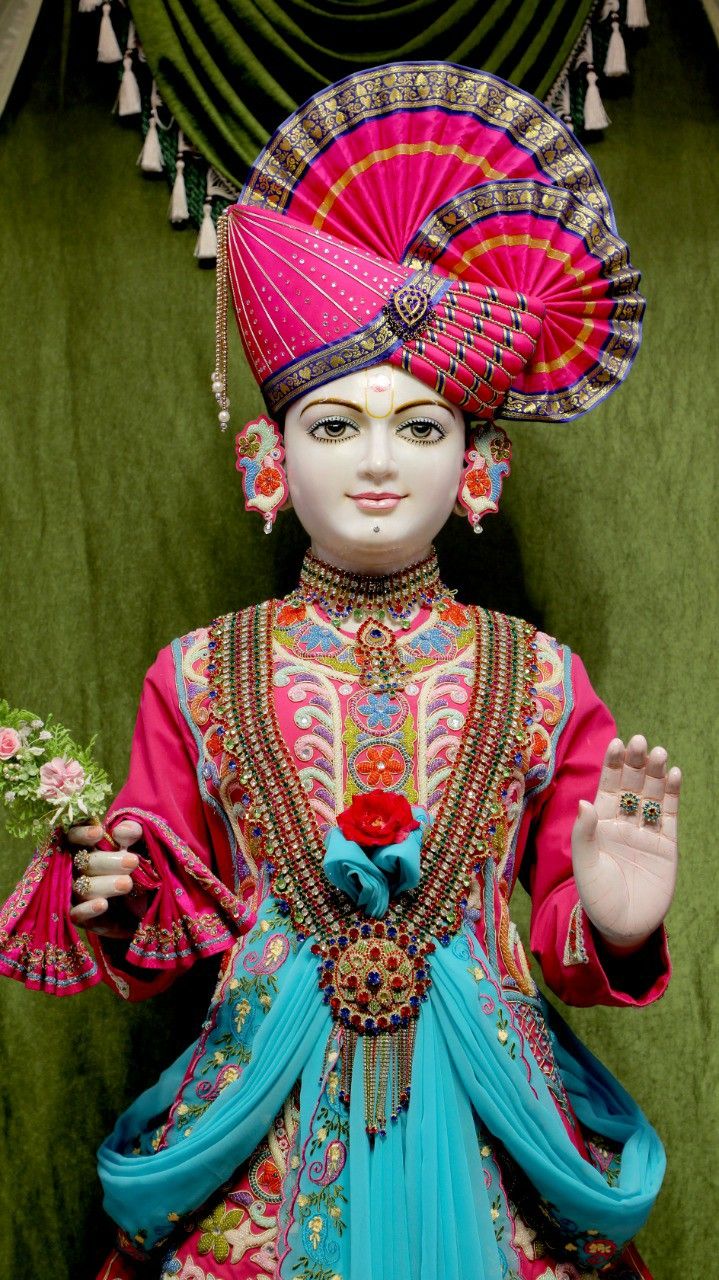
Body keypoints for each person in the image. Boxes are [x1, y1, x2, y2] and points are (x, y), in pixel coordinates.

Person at [0, 64, 679, 1280]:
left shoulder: (538, 675)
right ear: (270, 458)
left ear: (477, 465)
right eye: (333, 425)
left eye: (420, 427)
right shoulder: (198, 671)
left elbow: (569, 934)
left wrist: (615, 924)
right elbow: (171, 915)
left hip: (495, 1121)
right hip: (257, 1109)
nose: (378, 462)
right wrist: (113, 885)